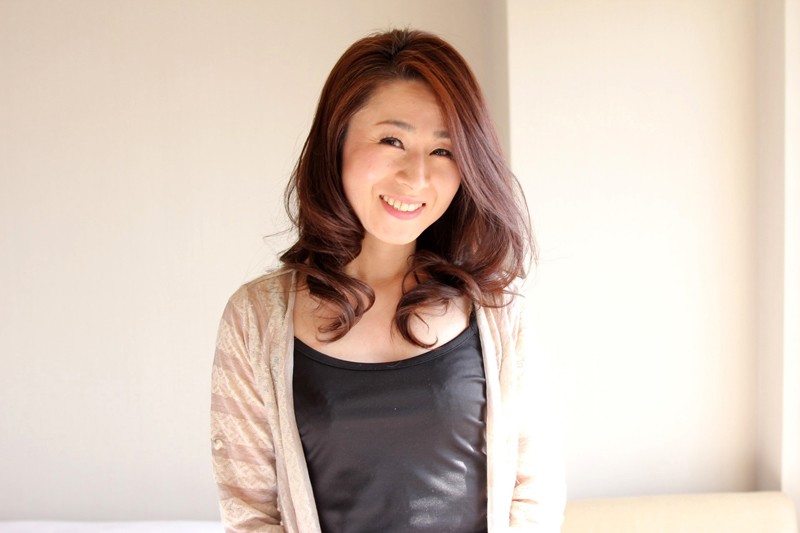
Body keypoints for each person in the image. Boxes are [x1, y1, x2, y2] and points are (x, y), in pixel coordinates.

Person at [210, 28, 565, 532]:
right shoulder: (256, 319)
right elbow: (250, 512)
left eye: (443, 151)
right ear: (336, 142)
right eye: (392, 140)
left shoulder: (497, 313)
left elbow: (533, 496)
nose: (416, 177)